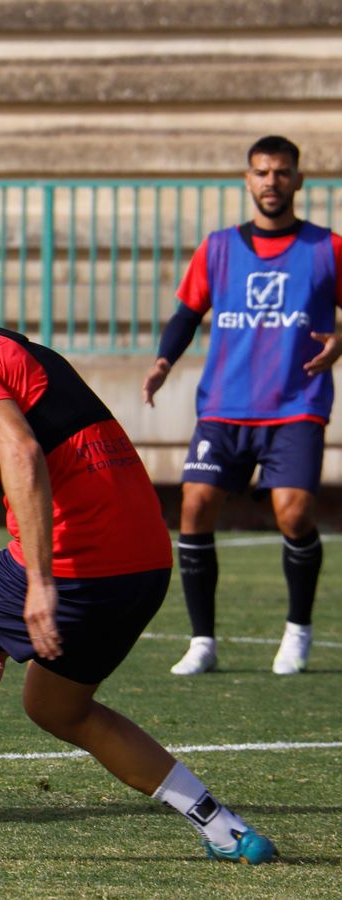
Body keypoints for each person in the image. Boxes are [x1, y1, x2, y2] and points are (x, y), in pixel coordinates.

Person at [0, 244, 275, 864]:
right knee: (56, 706)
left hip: (80, 559)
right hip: (144, 559)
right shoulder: (14, 347)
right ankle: (226, 830)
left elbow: (22, 453)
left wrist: (39, 583)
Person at [142, 135, 341, 676]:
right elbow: (187, 314)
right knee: (195, 505)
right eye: (262, 171)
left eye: (281, 172)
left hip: (296, 404)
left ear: (299, 180)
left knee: (294, 512)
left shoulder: (328, 248)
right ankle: (202, 641)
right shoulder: (219, 248)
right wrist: (163, 362)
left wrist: (340, 340)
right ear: (247, 179)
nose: (271, 181)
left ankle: (297, 630)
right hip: (224, 407)